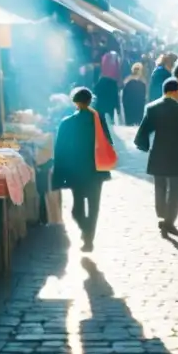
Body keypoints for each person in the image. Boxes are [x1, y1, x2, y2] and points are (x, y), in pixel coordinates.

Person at [52, 87, 113, 253]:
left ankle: (86, 234)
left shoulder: (66, 123)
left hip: (76, 173)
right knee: (94, 206)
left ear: (75, 102)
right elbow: (109, 142)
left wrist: (58, 177)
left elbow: (60, 151)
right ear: (89, 101)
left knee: (77, 208)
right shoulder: (98, 120)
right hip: (96, 172)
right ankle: (89, 236)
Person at [135, 77, 178, 237]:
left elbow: (143, 131)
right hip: (177, 154)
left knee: (159, 188)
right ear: (175, 92)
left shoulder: (152, 108)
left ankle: (161, 214)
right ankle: (169, 221)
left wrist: (145, 145)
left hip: (158, 153)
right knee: (174, 191)